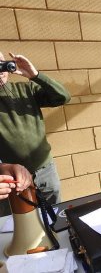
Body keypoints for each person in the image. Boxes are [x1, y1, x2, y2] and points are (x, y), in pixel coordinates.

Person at [0, 52, 71, 216]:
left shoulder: (25, 90)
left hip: (45, 171)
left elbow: (63, 97)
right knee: (17, 224)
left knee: (54, 217)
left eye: (1, 64)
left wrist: (35, 75)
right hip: (12, 180)